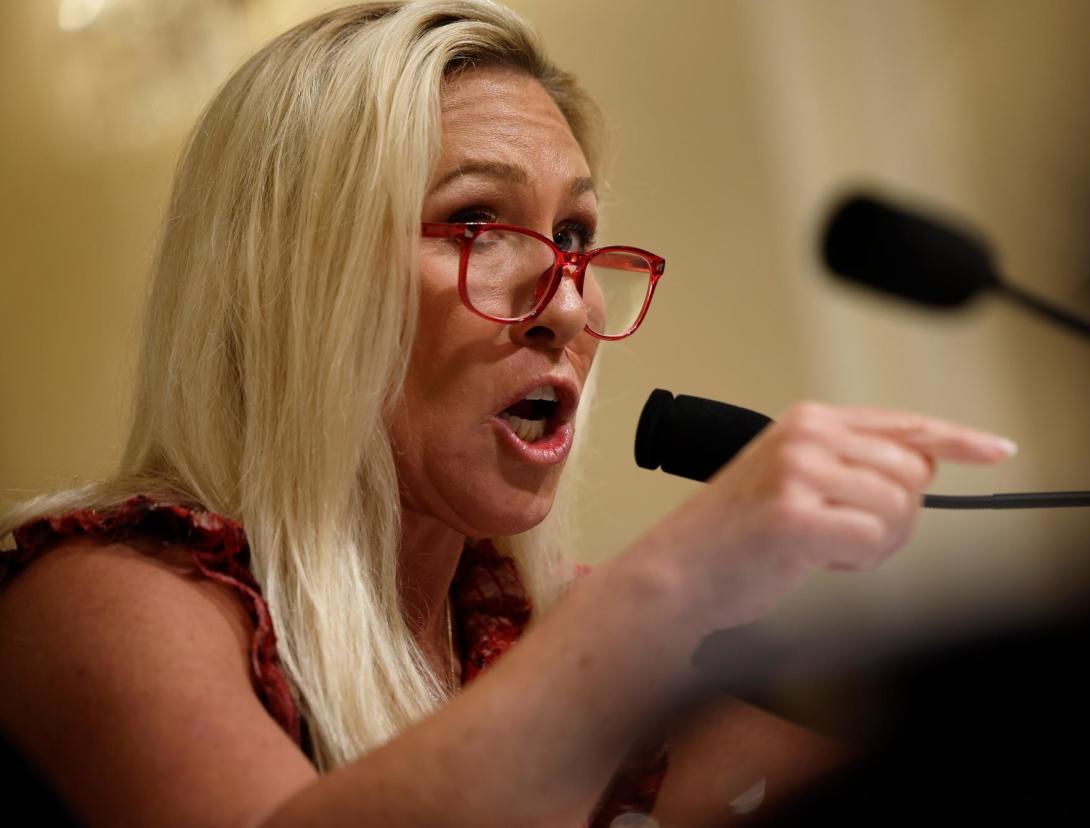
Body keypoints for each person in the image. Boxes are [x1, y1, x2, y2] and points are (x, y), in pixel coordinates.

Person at [0, 1, 1017, 825]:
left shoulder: (533, 633)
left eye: (577, 231)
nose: (569, 301)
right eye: (477, 221)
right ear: (287, 284)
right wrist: (672, 583)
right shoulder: (103, 598)